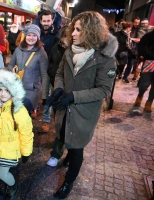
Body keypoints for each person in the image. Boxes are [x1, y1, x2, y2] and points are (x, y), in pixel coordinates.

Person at [47, 11, 117, 198]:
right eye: (73, 29)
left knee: (77, 149)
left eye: (79, 30)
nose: (73, 34)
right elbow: (60, 73)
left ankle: (68, 182)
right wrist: (59, 89)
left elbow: (103, 89)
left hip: (83, 112)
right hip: (65, 105)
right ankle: (67, 155)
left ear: (91, 32)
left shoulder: (105, 58)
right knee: (62, 135)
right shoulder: (70, 50)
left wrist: (74, 96)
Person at [0, 69, 34, 200]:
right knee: (2, 168)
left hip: (12, 149)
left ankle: (12, 185)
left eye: (7, 90)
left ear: (14, 91)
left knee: (1, 172)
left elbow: (26, 133)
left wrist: (26, 152)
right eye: (0, 89)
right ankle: (4, 185)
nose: (3, 94)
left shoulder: (19, 110)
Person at [8, 24, 49, 118]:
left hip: (32, 91)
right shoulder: (18, 50)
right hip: (17, 88)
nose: (31, 38)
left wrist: (44, 96)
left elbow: (44, 75)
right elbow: (10, 65)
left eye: (34, 35)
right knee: (14, 117)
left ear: (38, 37)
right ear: (25, 36)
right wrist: (12, 70)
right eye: (29, 35)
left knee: (24, 117)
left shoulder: (41, 53)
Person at [44, 26, 69, 134]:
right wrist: (51, 71)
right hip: (55, 83)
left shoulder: (74, 50)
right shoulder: (56, 47)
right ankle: (58, 135)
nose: (65, 40)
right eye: (64, 37)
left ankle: (62, 137)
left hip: (68, 86)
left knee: (65, 114)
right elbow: (50, 61)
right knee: (56, 111)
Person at [133, 30, 154, 112]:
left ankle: (149, 103)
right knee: (145, 83)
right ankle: (139, 96)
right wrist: (148, 54)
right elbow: (141, 46)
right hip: (149, 62)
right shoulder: (149, 35)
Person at [122, 17, 140, 83]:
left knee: (130, 64)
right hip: (126, 49)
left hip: (133, 50)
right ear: (132, 22)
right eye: (135, 22)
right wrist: (132, 39)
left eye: (138, 23)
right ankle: (119, 74)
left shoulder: (138, 29)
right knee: (122, 63)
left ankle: (125, 76)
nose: (137, 24)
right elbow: (125, 36)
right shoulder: (128, 28)